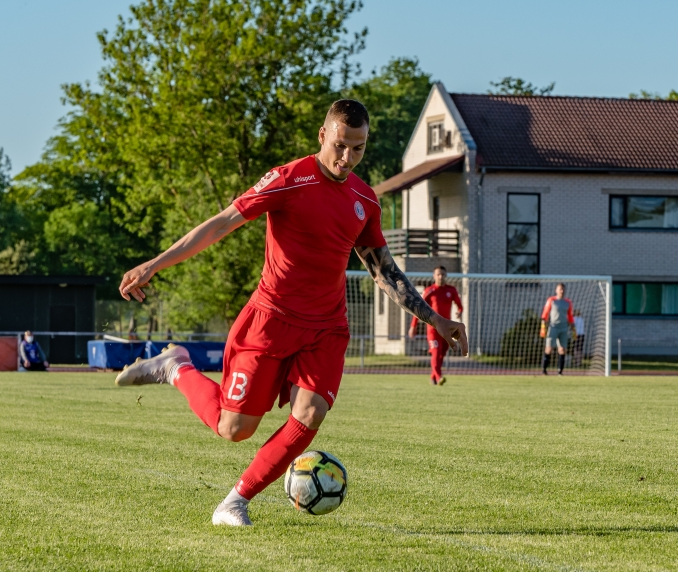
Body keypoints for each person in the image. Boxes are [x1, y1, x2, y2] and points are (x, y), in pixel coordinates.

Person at [114, 99, 469, 527]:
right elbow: (222, 222)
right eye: (340, 145)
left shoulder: (364, 200)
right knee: (234, 429)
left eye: (358, 149)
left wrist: (437, 319)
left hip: (327, 328)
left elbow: (384, 272)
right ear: (322, 135)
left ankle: (234, 502)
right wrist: (154, 264)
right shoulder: (288, 179)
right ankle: (175, 367)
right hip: (270, 320)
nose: (347, 158)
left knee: (311, 414)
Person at [407, 266, 463, 385]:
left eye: (442, 274)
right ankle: (438, 377)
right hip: (433, 328)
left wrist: (460, 311)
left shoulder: (451, 290)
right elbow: (418, 309)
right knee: (436, 352)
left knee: (442, 354)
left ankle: (433, 376)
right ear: (434, 276)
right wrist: (413, 326)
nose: (440, 276)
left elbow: (460, 305)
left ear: (445, 275)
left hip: (447, 329)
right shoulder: (429, 290)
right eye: (438, 274)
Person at [540, 283, 573, 375]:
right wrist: (543, 326)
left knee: (562, 349)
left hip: (563, 327)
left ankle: (560, 371)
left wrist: (573, 328)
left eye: (563, 289)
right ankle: (544, 370)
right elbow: (545, 313)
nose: (562, 291)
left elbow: (570, 316)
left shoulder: (568, 302)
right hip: (553, 327)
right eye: (560, 289)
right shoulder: (551, 300)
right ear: (556, 290)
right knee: (549, 348)